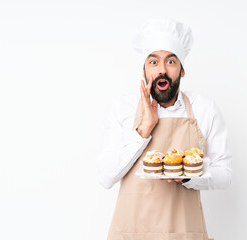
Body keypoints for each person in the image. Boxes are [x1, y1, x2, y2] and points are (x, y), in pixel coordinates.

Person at [96, 18, 232, 240]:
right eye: (153, 62)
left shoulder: (204, 109)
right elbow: (105, 176)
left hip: (184, 233)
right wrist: (144, 129)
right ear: (144, 70)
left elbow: (225, 174)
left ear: (182, 70)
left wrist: (189, 176)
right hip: (131, 233)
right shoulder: (123, 108)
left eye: (171, 62)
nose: (162, 70)